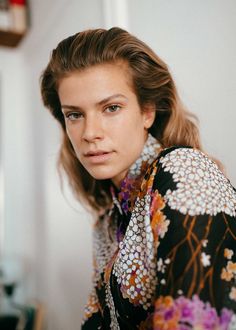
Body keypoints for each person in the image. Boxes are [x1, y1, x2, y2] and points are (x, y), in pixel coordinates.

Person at [40, 27, 236, 329]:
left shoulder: (185, 171)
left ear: (147, 112)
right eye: (74, 115)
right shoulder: (106, 224)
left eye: (111, 108)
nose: (90, 133)